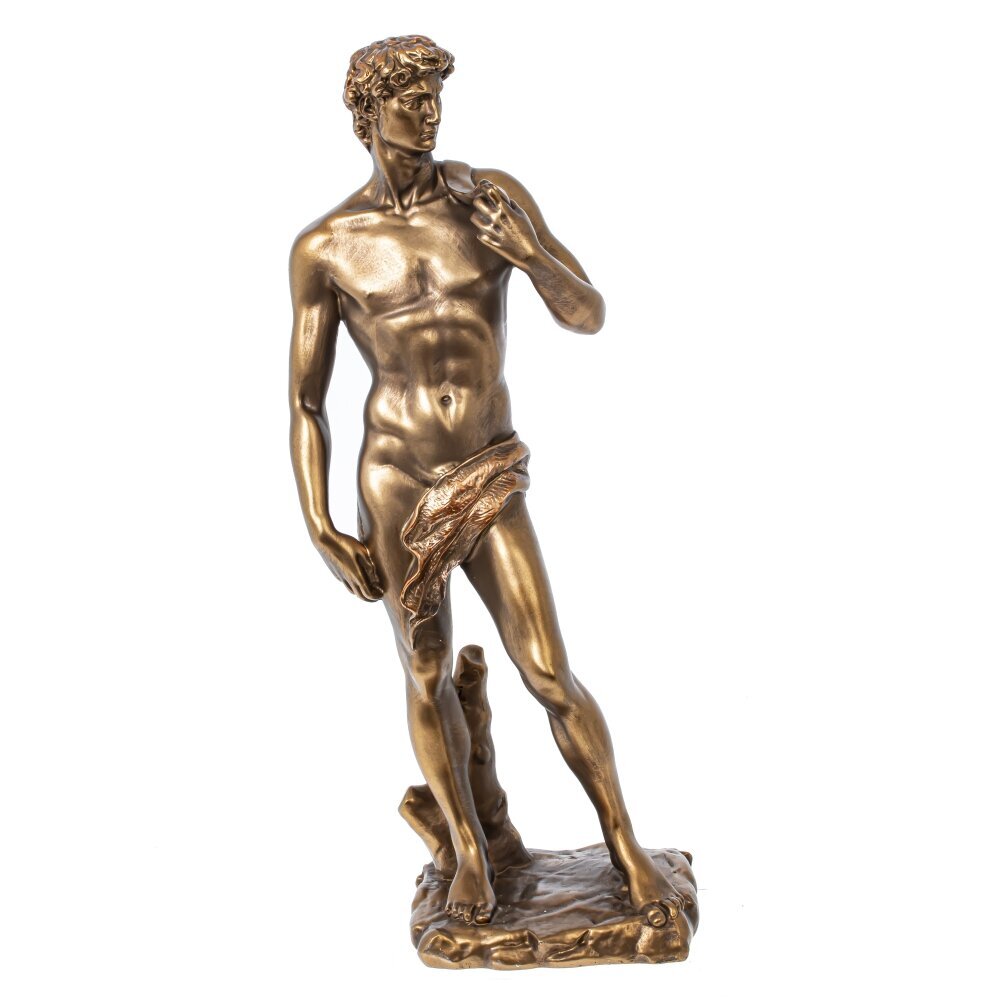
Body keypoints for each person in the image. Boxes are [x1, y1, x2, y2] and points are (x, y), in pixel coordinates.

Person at [289, 35, 687, 926]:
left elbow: (588, 314)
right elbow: (306, 403)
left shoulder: (487, 200)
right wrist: (318, 522)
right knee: (427, 669)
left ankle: (624, 845)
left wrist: (529, 253)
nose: (430, 114)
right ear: (369, 112)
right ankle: (470, 851)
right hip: (396, 479)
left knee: (546, 668)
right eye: (412, 100)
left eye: (436, 97)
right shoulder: (327, 246)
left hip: (487, 468)